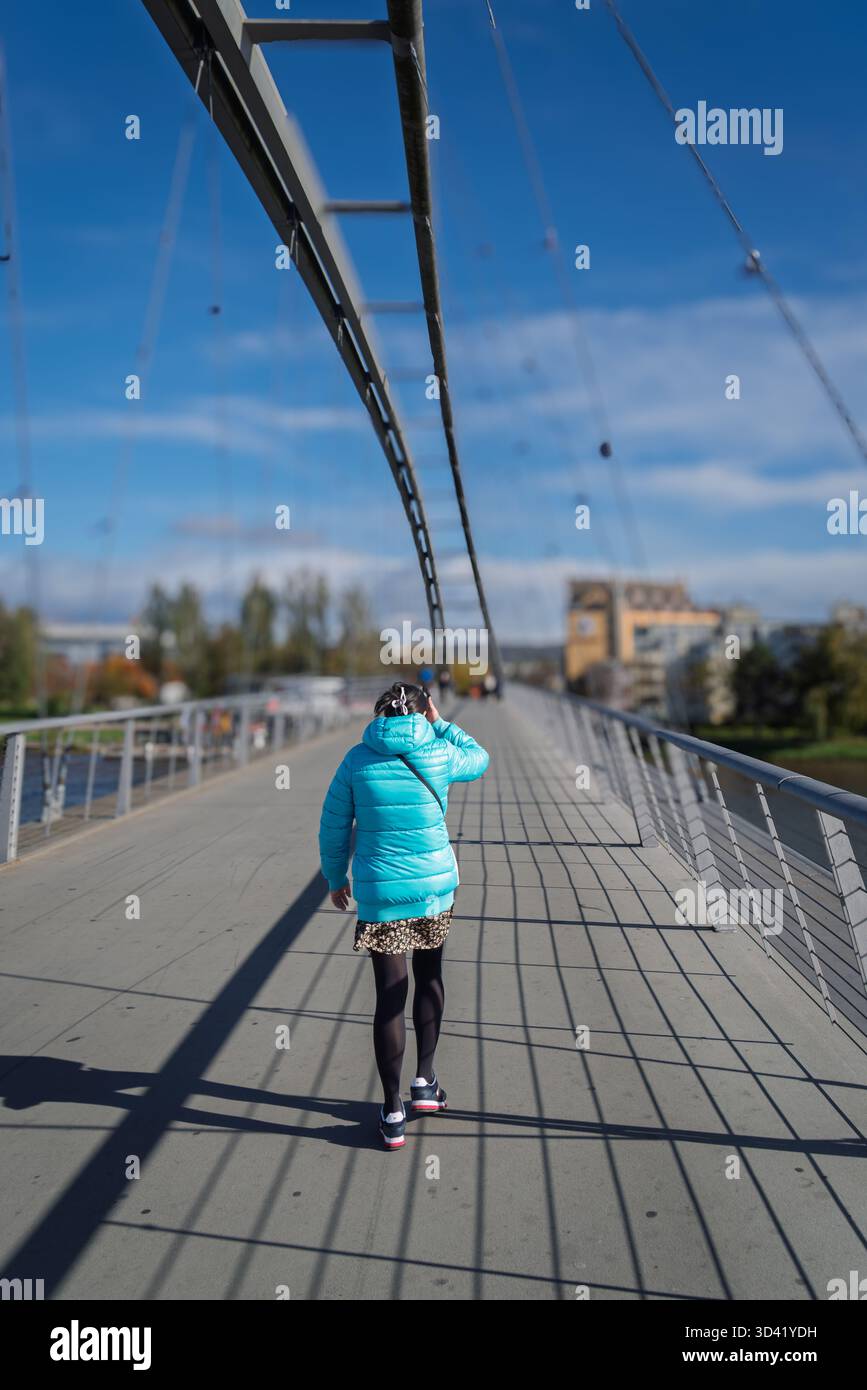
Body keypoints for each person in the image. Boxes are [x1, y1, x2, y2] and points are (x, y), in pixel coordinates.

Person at [318, 681, 489, 1149]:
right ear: (422, 710)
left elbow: (333, 823)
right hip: (433, 890)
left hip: (381, 897)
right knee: (430, 977)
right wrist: (442, 723)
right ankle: (425, 1083)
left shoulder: (356, 759)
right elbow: (480, 757)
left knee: (388, 997)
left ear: (379, 715)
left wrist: (336, 878)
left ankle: (393, 1110)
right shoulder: (438, 751)